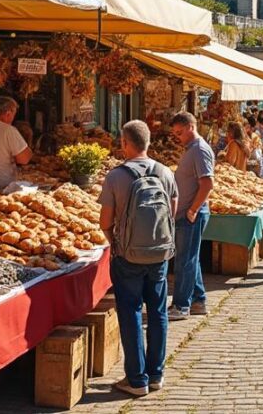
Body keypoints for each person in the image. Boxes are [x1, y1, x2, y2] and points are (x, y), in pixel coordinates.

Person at [98, 120, 178, 397]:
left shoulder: (116, 176)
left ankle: (136, 379)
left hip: (128, 256)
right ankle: (156, 375)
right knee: (158, 312)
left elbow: (105, 221)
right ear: (149, 142)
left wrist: (115, 242)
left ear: (124, 143)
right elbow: (172, 212)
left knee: (131, 312)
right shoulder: (165, 172)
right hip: (159, 254)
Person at [168, 113, 214, 320]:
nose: (177, 137)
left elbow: (207, 183)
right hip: (188, 212)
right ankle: (198, 301)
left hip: (192, 214)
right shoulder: (192, 149)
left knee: (184, 261)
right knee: (190, 259)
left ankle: (181, 305)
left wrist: (193, 210)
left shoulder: (199, 150)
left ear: (191, 127)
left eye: (180, 133)